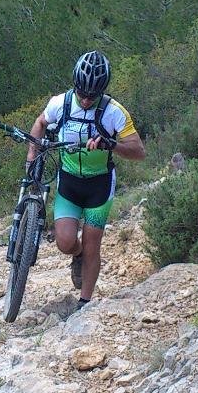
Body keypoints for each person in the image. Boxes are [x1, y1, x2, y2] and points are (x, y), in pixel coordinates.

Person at [27, 51, 145, 309]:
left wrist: (111, 143)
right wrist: (31, 156)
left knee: (93, 244)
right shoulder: (61, 103)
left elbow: (138, 152)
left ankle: (85, 302)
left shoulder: (114, 112)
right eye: (82, 92)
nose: (86, 99)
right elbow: (40, 123)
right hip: (69, 183)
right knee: (65, 242)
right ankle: (76, 255)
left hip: (99, 187)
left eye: (92, 95)